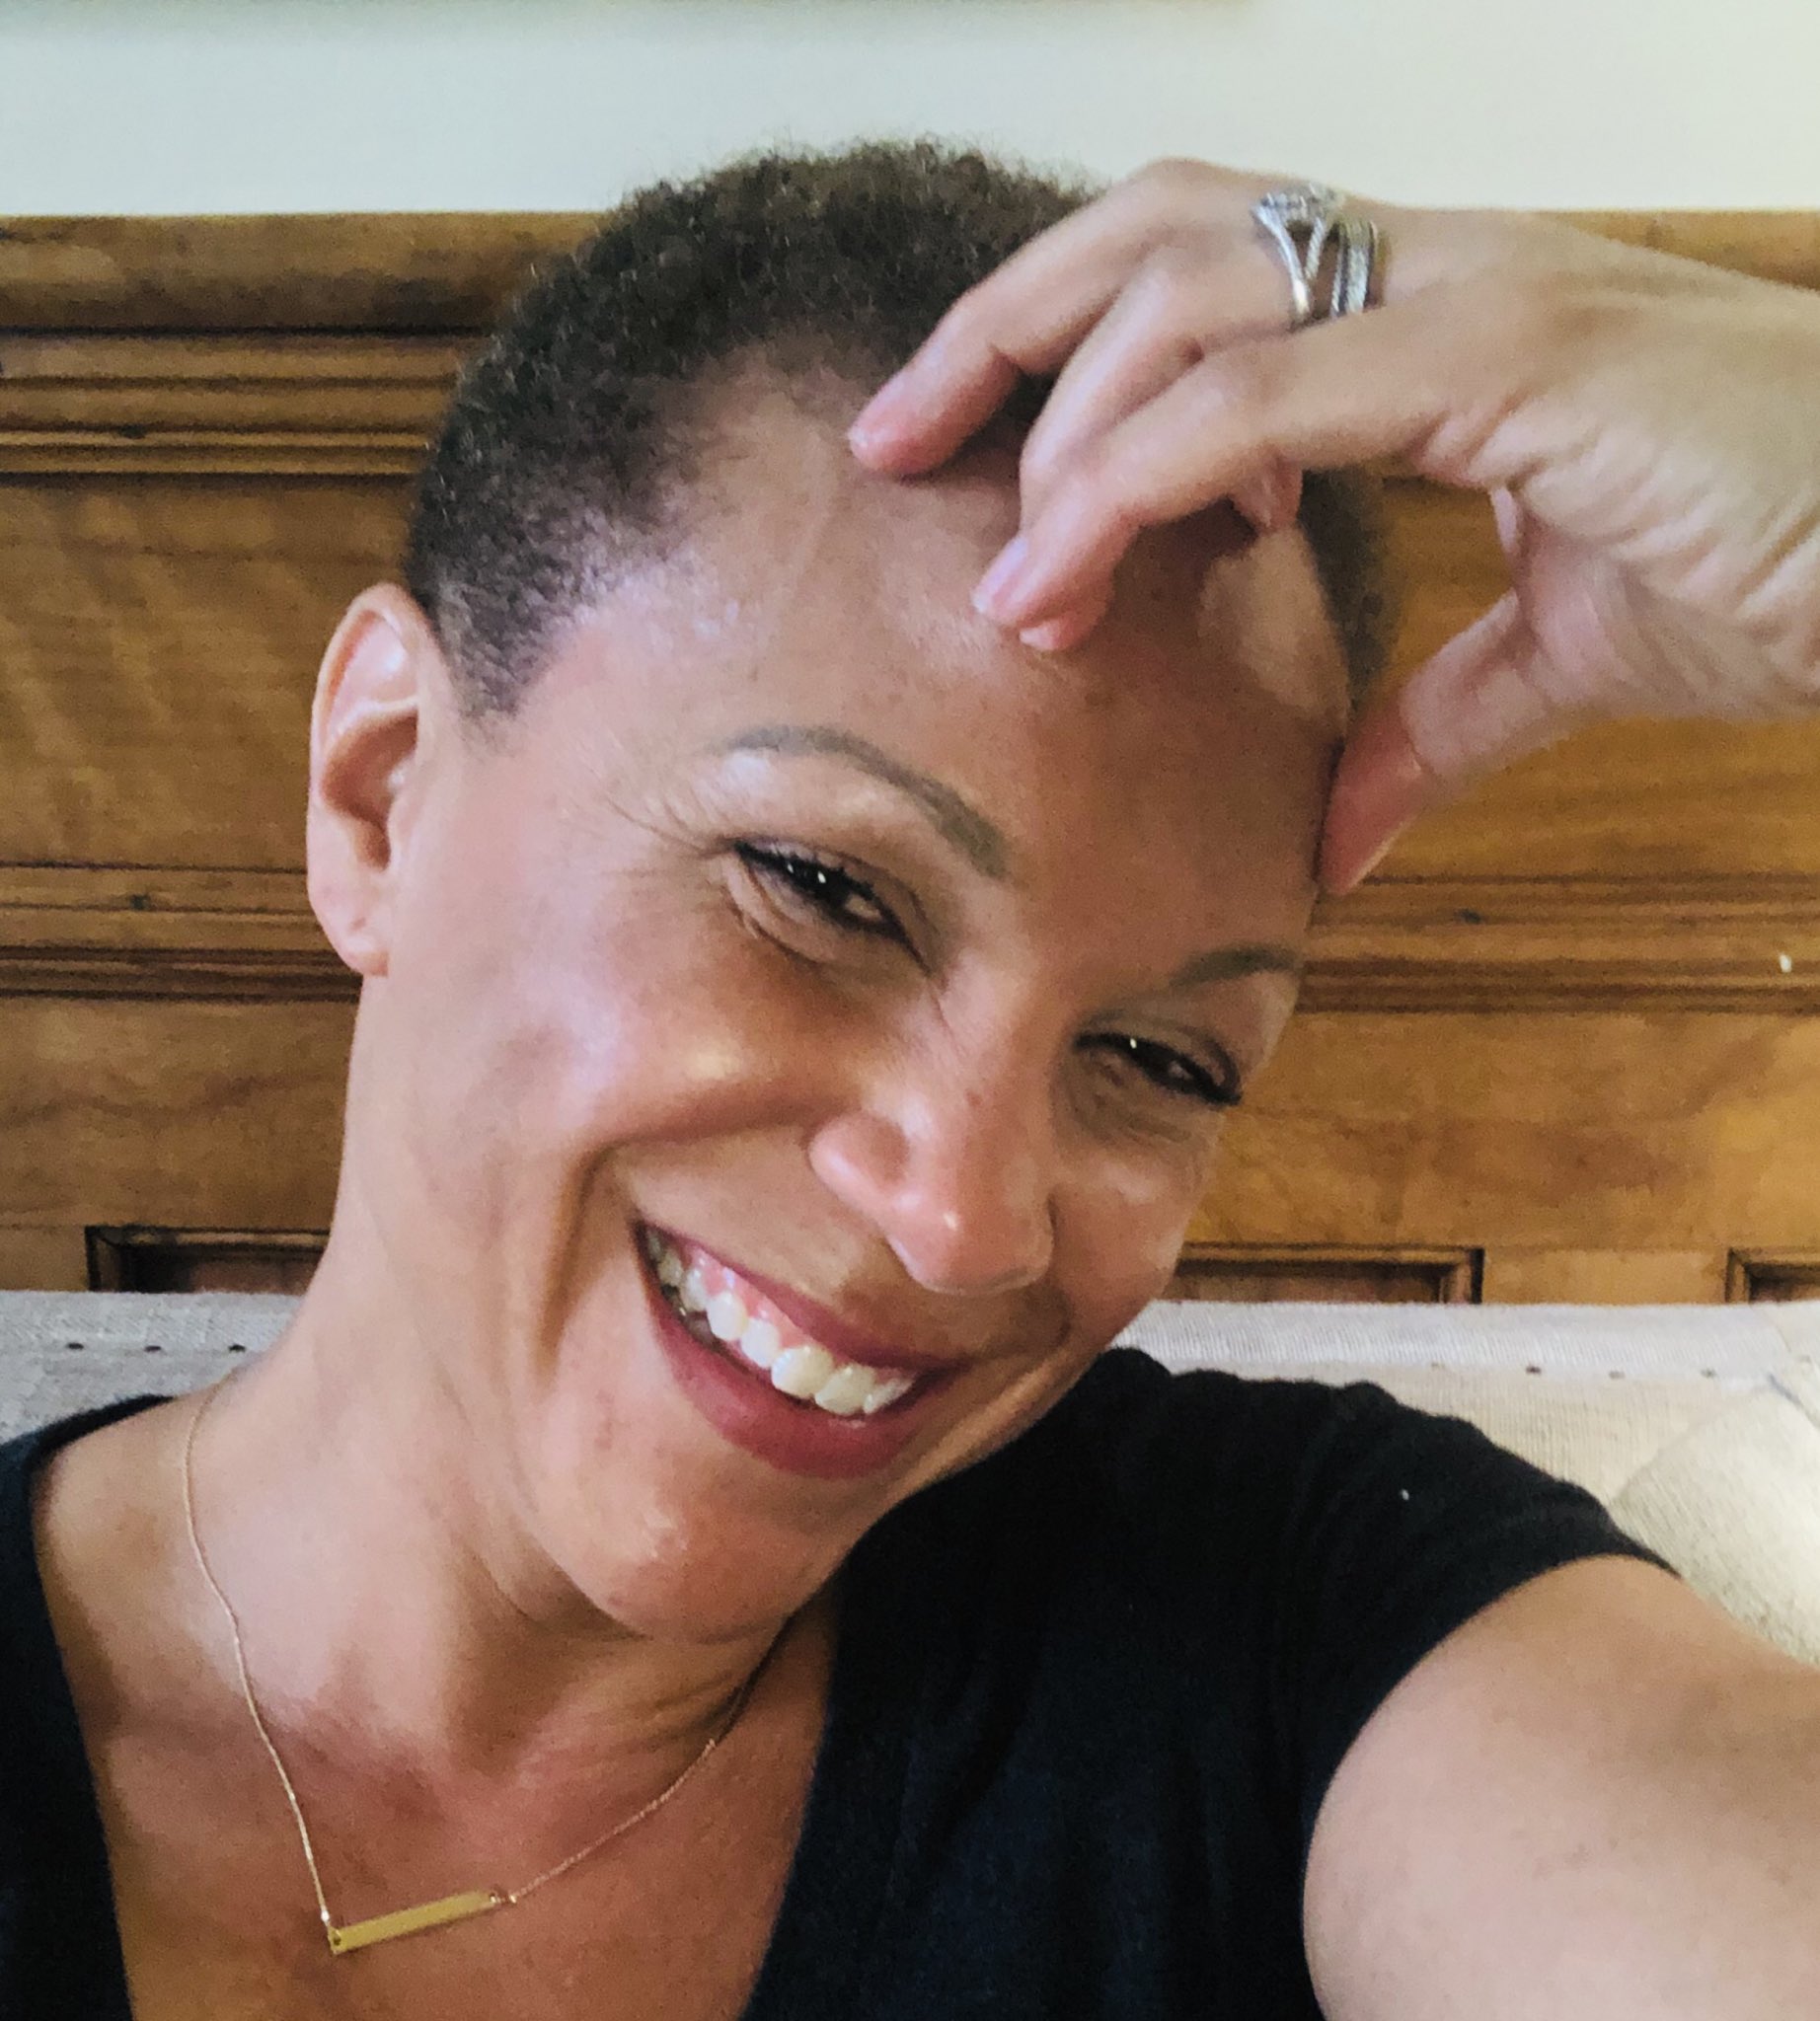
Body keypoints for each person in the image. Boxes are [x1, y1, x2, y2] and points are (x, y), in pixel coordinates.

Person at [4, 143, 1817, 2020]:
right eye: (824, 890)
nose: (962, 1220)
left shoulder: (1302, 1629)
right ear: (383, 790)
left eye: (1156, 1059)